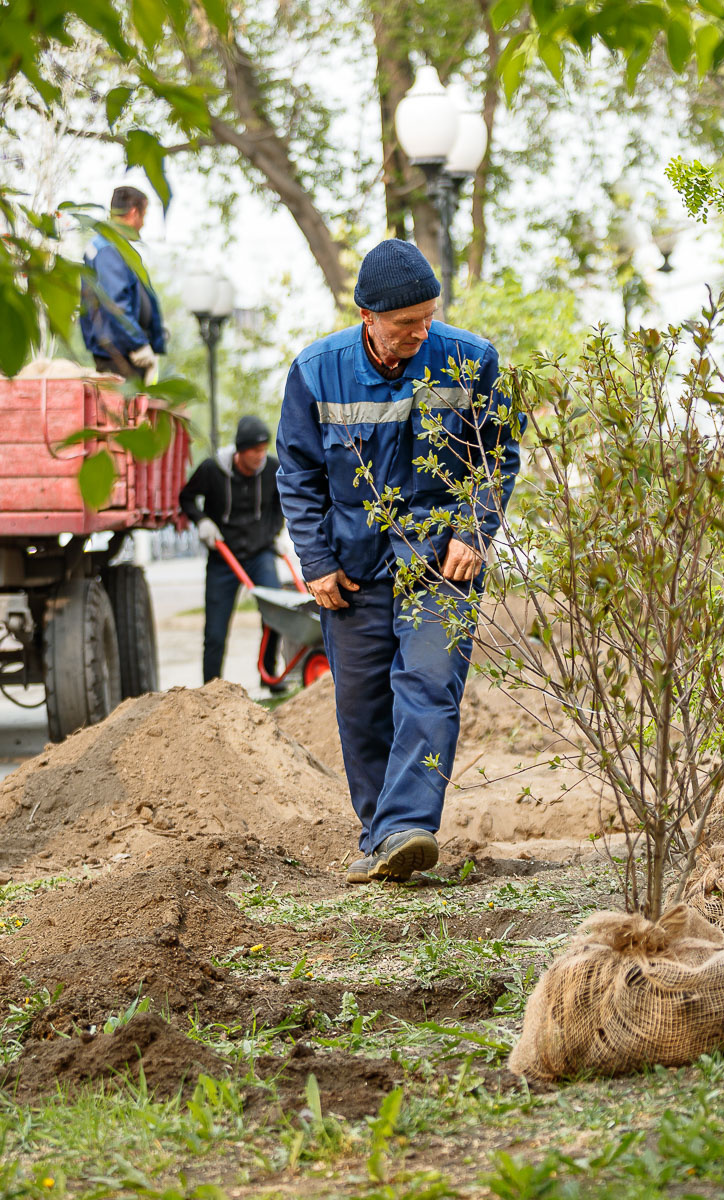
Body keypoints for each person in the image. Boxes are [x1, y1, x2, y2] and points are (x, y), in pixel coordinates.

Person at [276, 239, 522, 885]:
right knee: (361, 706)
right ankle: (380, 837)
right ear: (367, 317)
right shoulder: (315, 370)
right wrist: (317, 561)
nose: (420, 333)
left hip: (444, 561)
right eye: (405, 324)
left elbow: (497, 457)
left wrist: (475, 529)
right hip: (354, 568)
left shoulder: (471, 360)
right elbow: (297, 475)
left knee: (430, 685)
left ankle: (409, 827)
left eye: (428, 319)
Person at [179, 414, 288, 688]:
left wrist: (273, 533)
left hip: (260, 554)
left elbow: (280, 505)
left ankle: (270, 676)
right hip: (223, 558)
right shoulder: (212, 470)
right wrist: (202, 521)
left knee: (275, 615)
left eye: (264, 450)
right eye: (255, 450)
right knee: (215, 630)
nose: (260, 456)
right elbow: (186, 497)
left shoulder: (272, 469)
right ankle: (211, 689)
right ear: (240, 450)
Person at [79, 186, 167, 382]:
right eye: (144, 216)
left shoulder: (114, 247)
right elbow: (115, 303)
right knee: (124, 411)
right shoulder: (107, 249)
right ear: (134, 213)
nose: (143, 224)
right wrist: (138, 344)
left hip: (126, 353)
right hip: (121, 357)